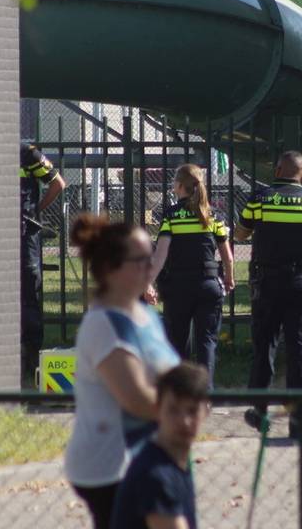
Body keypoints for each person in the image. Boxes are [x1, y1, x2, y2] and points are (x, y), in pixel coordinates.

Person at [66, 214, 180, 529]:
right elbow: (136, 399)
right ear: (111, 268)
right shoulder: (103, 323)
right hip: (111, 465)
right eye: (141, 260)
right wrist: (186, 406)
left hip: (147, 455)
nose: (151, 266)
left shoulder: (145, 315)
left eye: (151, 258)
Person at [234, 151, 302, 434]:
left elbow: (240, 234)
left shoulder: (260, 198)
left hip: (267, 284)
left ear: (278, 169)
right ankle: (297, 419)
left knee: (264, 348)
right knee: (299, 351)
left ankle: (259, 411)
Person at [147, 165, 234, 385]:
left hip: (179, 286)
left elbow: (160, 255)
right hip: (209, 284)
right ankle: (205, 393)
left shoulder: (171, 216)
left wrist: (148, 283)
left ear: (179, 185)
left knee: (178, 342)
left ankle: (182, 392)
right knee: (207, 342)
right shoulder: (213, 215)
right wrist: (229, 279)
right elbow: (227, 257)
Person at [110, 361, 210, 529]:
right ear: (157, 409)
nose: (184, 421)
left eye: (192, 411)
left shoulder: (172, 462)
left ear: (206, 412)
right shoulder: (156, 476)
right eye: (173, 410)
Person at [20, 144, 66, 389]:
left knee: (29, 296)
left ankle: (31, 360)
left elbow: (58, 183)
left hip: (25, 234)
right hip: (2, 234)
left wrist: (35, 211)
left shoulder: (28, 154)